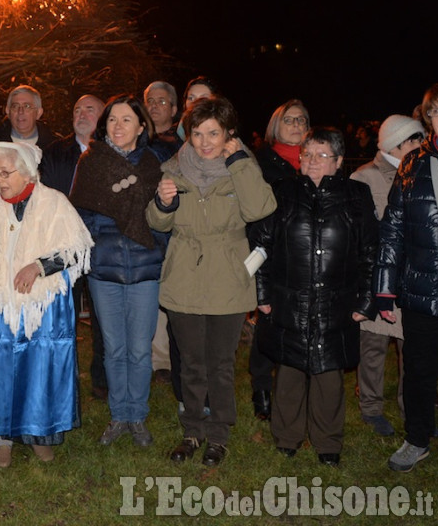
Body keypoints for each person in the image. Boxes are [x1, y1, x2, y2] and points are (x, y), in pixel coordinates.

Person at [146, 96, 276, 466]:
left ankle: (218, 434)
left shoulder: (242, 166)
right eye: (197, 133)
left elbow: (260, 209)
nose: (204, 141)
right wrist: (163, 203)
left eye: (213, 133)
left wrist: (238, 162)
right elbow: (157, 223)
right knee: (190, 362)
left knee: (220, 363)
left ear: (229, 135)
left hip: (227, 277)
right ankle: (192, 431)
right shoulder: (173, 169)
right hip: (184, 275)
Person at [251, 127, 378, 467]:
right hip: (288, 299)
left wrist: (365, 302)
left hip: (337, 303)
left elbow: (371, 252)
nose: (313, 162)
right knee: (290, 370)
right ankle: (287, 437)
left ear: (338, 161)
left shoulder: (357, 196)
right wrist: (261, 293)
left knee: (328, 373)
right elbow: (261, 245)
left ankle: (328, 442)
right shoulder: (282, 192)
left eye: (322, 155)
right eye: (307, 155)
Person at [0, 141, 92, 468]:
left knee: (41, 367)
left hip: (44, 305)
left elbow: (77, 250)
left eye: (6, 173)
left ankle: (39, 435)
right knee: (4, 366)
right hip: (4, 306)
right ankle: (5, 436)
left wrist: (38, 266)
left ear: (27, 171)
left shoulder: (55, 203)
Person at [71, 94, 167, 447]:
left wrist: (157, 248)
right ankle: (118, 414)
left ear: (142, 126)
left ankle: (137, 415)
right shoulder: (91, 162)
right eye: (113, 119)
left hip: (145, 267)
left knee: (140, 348)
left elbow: (164, 219)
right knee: (113, 348)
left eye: (127, 119)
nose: (118, 126)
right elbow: (80, 216)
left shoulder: (154, 164)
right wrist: (97, 243)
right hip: (104, 269)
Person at [376, 80, 438, 493]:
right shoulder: (413, 165)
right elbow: (393, 231)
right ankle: (417, 439)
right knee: (419, 373)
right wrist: (385, 288)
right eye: (436, 112)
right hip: (423, 289)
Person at [351, 115, 424, 437]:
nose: (421, 144)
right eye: (415, 139)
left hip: (413, 277)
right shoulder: (364, 177)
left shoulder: (423, 171)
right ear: (398, 144)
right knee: (373, 346)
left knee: (414, 349)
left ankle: (413, 409)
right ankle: (371, 408)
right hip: (378, 276)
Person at [41, 94, 108, 400]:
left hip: (102, 243)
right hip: (64, 244)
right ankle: (61, 379)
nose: (81, 114)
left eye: (89, 109)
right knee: (62, 315)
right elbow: (49, 197)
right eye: (76, 109)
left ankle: (102, 380)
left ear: (104, 115)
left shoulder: (112, 152)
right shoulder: (55, 152)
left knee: (102, 317)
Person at [249, 99, 310, 420]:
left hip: (306, 256)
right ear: (276, 125)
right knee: (268, 321)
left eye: (301, 120)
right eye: (289, 120)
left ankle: (294, 384)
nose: (296, 125)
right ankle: (261, 385)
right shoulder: (261, 162)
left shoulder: (316, 159)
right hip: (272, 253)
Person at [0, 85, 57, 200]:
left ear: (38, 113)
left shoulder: (55, 148)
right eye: (15, 106)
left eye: (27, 106)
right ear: (8, 112)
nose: (20, 111)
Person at [144, 81, 181, 161]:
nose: (154, 105)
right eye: (150, 101)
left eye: (161, 101)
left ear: (173, 110)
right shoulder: (133, 137)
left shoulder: (181, 145)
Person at [175, 76, 218, 141]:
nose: (195, 103)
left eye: (203, 99)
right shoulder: (174, 136)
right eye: (191, 98)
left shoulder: (225, 135)